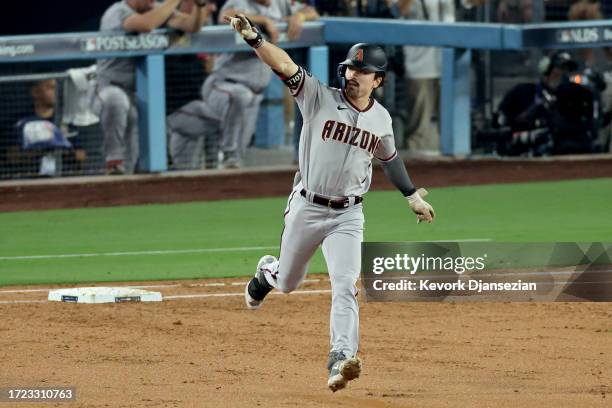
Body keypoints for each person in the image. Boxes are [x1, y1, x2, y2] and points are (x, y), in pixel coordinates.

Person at [227, 15, 435, 391]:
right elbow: (284, 64)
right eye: (350, 68)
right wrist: (255, 39)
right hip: (307, 207)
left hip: (348, 216)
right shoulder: (317, 96)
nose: (353, 75)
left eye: (362, 70)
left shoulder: (382, 120)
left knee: (345, 284)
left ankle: (340, 357)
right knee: (289, 282)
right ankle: (266, 275)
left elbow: (390, 159)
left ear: (379, 80)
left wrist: (411, 196)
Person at [93, 0, 213, 175]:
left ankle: (123, 179)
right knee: (116, 100)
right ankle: (113, 159)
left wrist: (200, 6)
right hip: (107, 88)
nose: (152, 1)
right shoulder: (117, 12)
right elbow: (146, 24)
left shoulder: (155, 9)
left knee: (136, 160)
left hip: (137, 95)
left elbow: (192, 26)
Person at [201, 0, 318, 169]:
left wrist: (300, 15)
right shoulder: (239, 2)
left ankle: (224, 182)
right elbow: (224, 16)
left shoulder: (280, 4)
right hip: (222, 85)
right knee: (240, 97)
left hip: (254, 92)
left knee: (237, 158)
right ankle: (224, 153)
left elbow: (312, 12)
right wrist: (264, 20)